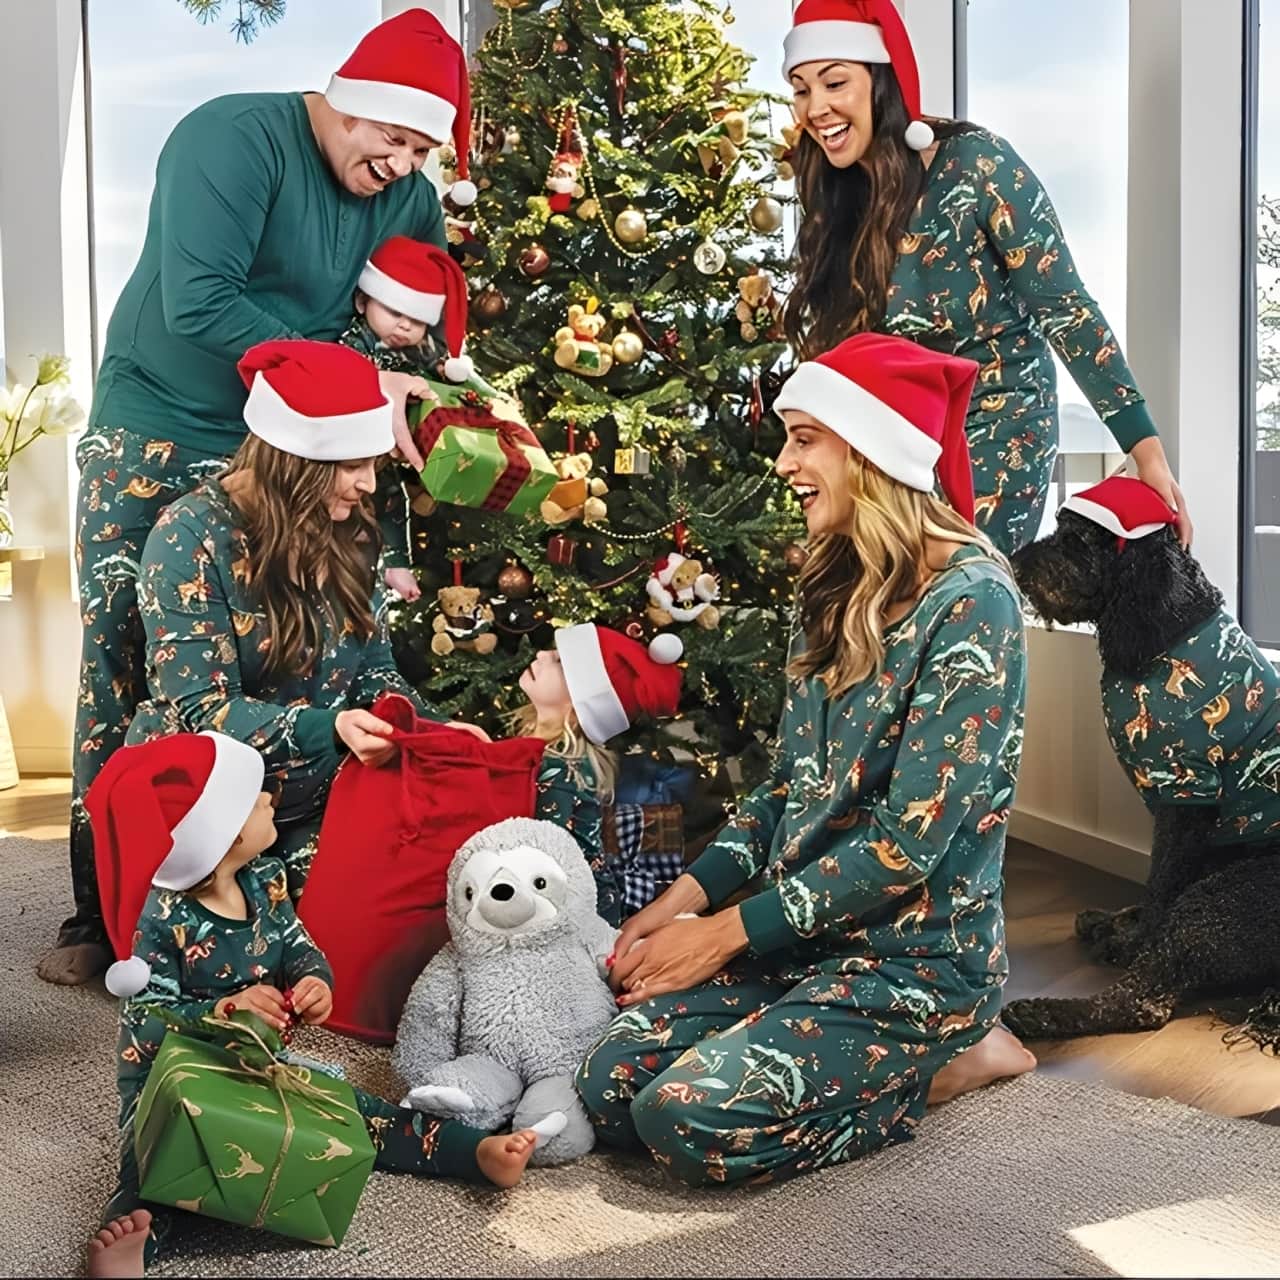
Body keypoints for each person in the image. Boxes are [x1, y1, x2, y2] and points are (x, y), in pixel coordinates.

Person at [45, 7, 477, 986]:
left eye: (421, 149)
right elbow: (198, 300)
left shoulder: (407, 196)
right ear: (348, 102)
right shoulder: (235, 138)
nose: (403, 163)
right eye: (391, 136)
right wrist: (350, 380)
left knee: (304, 642)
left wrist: (424, 394)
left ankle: (257, 881)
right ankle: (98, 908)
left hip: (302, 446)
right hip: (162, 421)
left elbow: (413, 322)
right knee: (120, 646)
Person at [576, 333, 1034, 1186]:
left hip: (912, 964)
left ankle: (944, 1068)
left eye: (804, 438)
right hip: (801, 945)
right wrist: (677, 904)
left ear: (870, 449)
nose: (784, 462)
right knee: (607, 1086)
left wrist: (719, 937)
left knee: (683, 1119)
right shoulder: (832, 584)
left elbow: (904, 845)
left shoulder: (975, 603)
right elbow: (787, 789)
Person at [86, 732, 561, 1277]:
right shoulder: (164, 917)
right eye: (254, 796)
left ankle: (471, 1153)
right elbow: (146, 1020)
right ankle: (134, 1241)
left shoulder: (265, 881)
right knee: (152, 1159)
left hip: (260, 1065)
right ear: (225, 831)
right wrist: (222, 1012)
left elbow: (301, 950)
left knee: (360, 1115)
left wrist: (316, 982)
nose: (270, 798)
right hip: (173, 1077)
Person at [780, 0, 1192, 560]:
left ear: (880, 82)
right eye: (801, 89)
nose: (816, 107)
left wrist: (1146, 452)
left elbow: (1065, 307)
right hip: (893, 435)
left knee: (962, 583)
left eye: (834, 83)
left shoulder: (975, 164)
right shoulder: (834, 195)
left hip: (1000, 419)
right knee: (871, 596)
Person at [119, 340, 484, 901]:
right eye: (353, 465)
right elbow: (202, 709)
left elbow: (374, 667)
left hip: (326, 787)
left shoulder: (352, 529)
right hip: (217, 815)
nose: (369, 484)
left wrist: (432, 729)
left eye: (374, 464)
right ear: (294, 460)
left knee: (448, 882)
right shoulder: (188, 536)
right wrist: (330, 730)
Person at [513, 624, 686, 926]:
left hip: (569, 920)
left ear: (579, 701)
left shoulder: (560, 772)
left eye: (558, 660)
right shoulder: (537, 752)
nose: (541, 654)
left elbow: (540, 863)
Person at [338, 235, 477, 604]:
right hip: (357, 442)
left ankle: (396, 561)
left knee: (395, 499)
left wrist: (449, 370)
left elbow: (440, 362)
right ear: (363, 301)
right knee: (371, 494)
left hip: (399, 444)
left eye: (416, 320)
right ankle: (377, 559)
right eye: (394, 313)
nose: (403, 327)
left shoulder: (418, 346)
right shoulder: (356, 340)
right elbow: (342, 375)